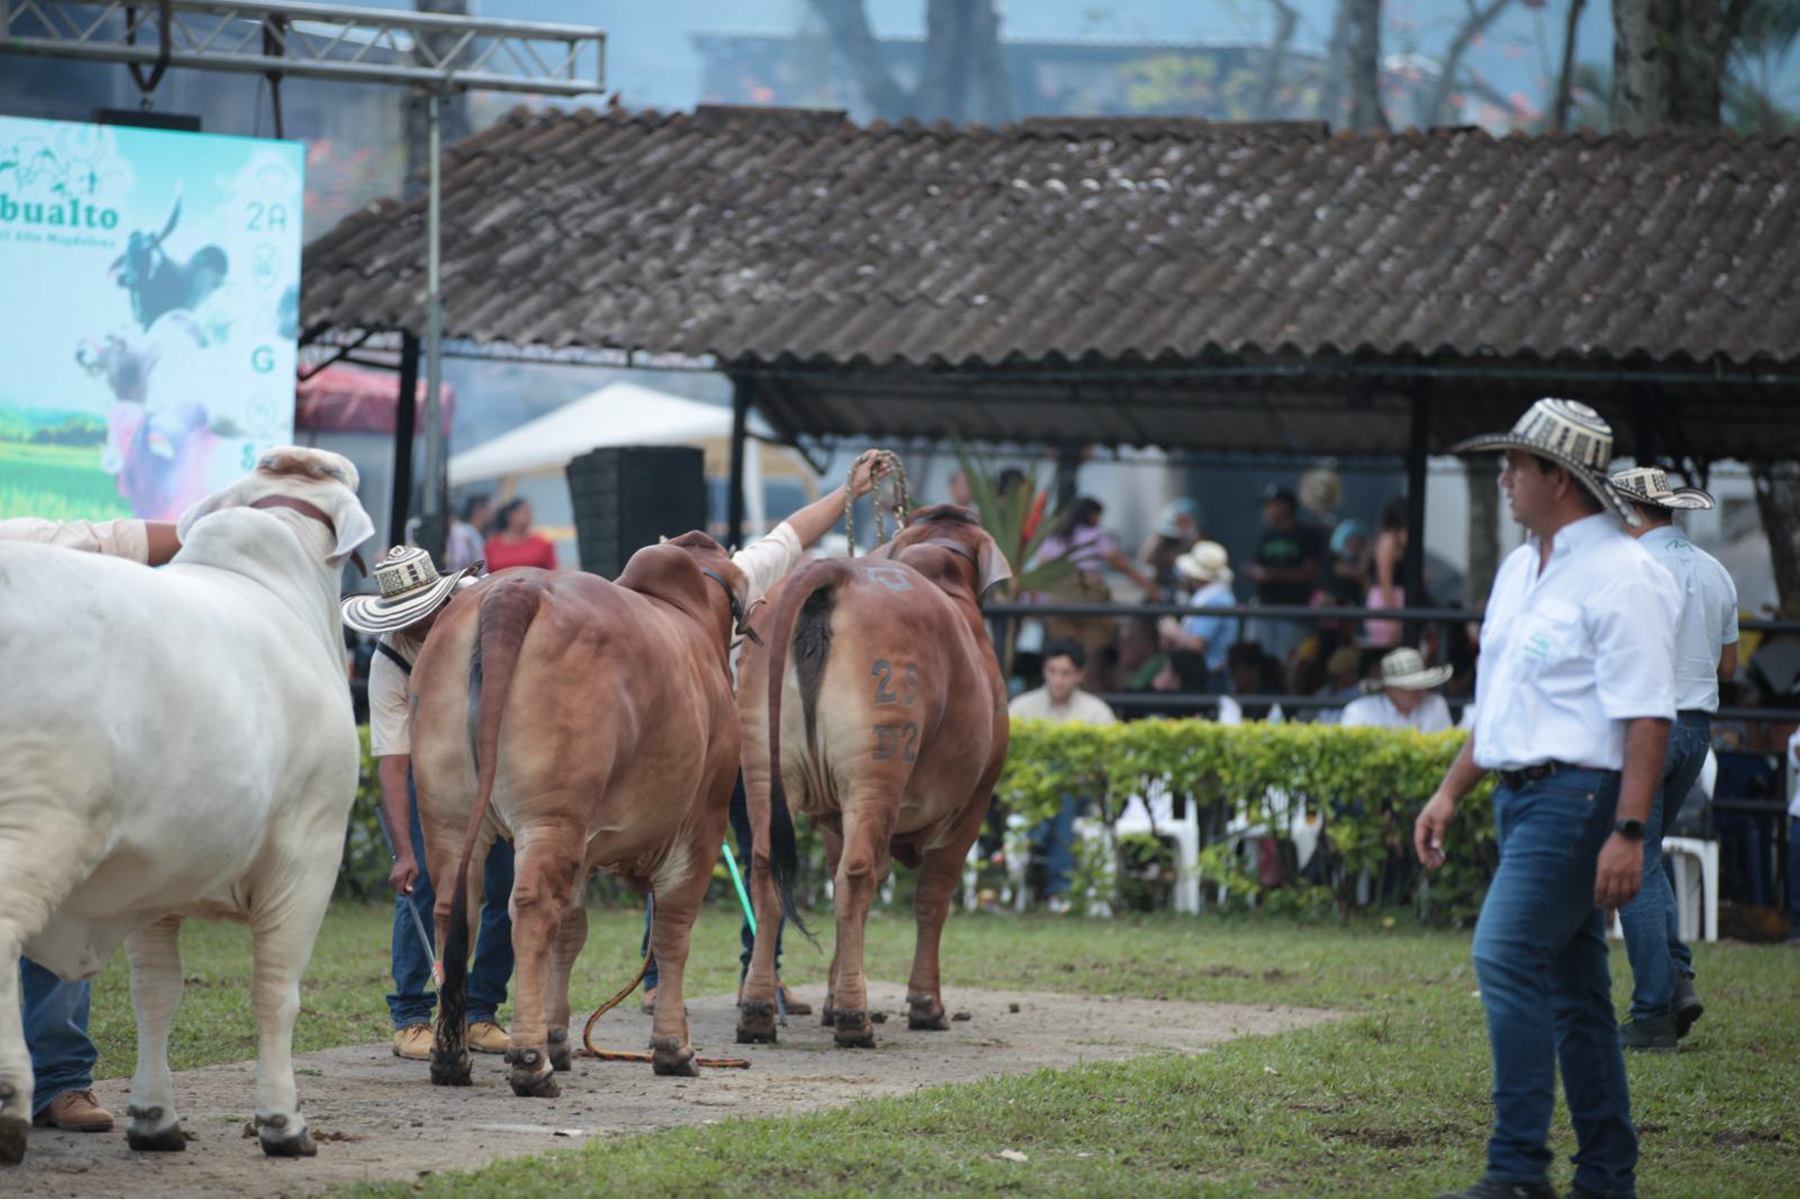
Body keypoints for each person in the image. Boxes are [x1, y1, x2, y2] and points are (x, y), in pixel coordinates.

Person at [1414, 399, 1676, 1199]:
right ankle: (1605, 1174)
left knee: (1503, 951)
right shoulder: (1521, 566)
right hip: (1521, 795)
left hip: (1579, 795)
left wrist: (1629, 829)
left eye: (1515, 465)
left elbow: (1648, 714)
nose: (1502, 478)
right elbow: (1501, 703)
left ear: (1557, 478)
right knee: (1577, 992)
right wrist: (1450, 790)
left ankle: (1518, 1167)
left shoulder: (1623, 573)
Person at [640, 450, 893, 1013]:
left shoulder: (734, 574)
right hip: (698, 746)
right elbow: (794, 532)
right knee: (695, 852)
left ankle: (758, 972)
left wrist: (849, 492)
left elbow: (797, 530)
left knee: (761, 850)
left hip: (737, 744)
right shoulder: (682, 590)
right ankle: (670, 974)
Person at [0, 516, 182, 1134]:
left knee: (60, 916)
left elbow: (119, 539)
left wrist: (232, 522)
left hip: (36, 776)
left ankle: (60, 1082)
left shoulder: (19, 544)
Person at [342, 546, 516, 1061]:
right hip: (432, 774)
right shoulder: (391, 661)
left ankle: (480, 1010)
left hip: (500, 765)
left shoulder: (486, 614)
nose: (416, 626)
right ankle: (412, 1017)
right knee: (421, 888)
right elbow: (394, 763)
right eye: (406, 618)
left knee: (507, 885)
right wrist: (403, 852)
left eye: (423, 613)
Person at [1608, 466, 1737, 1049]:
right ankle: (1679, 976)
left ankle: (1653, 1011)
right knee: (1649, 850)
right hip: (1696, 730)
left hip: (1643, 727)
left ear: (1631, 514)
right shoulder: (1715, 571)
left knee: (1632, 863)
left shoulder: (1630, 569)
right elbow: (1727, 668)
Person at [1009, 639, 1117, 913]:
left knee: (1064, 792)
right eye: (1052, 671)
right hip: (1029, 795)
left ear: (1080, 675)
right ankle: (1059, 891)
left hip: (1079, 795)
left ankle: (1037, 846)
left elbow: (1106, 764)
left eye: (1065, 673)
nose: (1057, 680)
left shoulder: (1097, 713)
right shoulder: (1021, 708)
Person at [1035, 496, 1160, 674]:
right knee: (1093, 649)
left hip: (1059, 600)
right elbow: (1122, 565)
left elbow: (1042, 566)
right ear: (1091, 515)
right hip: (1089, 599)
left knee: (1063, 647)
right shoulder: (1095, 537)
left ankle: (1063, 680)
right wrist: (1150, 587)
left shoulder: (1056, 537)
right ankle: (1088, 683)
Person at [1246, 484, 1324, 663]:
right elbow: (1259, 566)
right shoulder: (1266, 535)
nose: (1265, 510)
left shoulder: (1305, 534)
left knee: (1289, 662)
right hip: (1266, 609)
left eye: (1270, 505)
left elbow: (1311, 572)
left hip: (1294, 611)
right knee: (1263, 662)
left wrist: (1273, 575)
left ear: (1285, 507)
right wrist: (1253, 572)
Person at [1158, 540, 1237, 692]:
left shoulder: (1216, 600)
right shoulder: (1207, 597)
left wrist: (1172, 631)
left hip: (1210, 678)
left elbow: (1197, 645)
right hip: (1202, 674)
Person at [1339, 646, 1455, 733]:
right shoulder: (1359, 712)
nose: (1419, 690)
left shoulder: (1436, 704)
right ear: (1389, 689)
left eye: (1421, 684)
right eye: (1409, 687)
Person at [1365, 496, 1412, 647]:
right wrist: (1393, 616)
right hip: (1388, 602)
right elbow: (1386, 580)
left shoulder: (1399, 541)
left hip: (1399, 601)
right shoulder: (1388, 540)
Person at [1139, 497, 1202, 592]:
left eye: (1185, 522)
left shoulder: (1196, 541)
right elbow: (1146, 560)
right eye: (1180, 522)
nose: (1182, 527)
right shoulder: (1163, 541)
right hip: (1163, 590)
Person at [483, 498, 557, 571]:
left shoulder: (542, 544)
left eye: (530, 512)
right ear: (510, 515)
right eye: (524, 511)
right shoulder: (492, 545)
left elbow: (553, 572)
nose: (529, 516)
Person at [1323, 517, 1372, 607]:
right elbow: (1353, 573)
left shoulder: (1367, 561)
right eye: (1352, 541)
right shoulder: (1334, 559)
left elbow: (1367, 585)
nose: (1356, 545)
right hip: (1333, 608)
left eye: (1360, 541)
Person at [445, 493, 490, 573]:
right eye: (488, 508)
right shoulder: (462, 534)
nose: (491, 511)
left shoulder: (473, 532)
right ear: (478, 510)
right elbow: (458, 563)